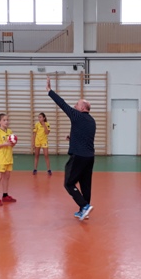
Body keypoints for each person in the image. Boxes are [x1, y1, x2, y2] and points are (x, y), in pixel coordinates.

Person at [47, 76, 95, 221]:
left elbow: (62, 104)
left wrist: (50, 91)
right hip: (89, 157)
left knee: (68, 183)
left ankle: (84, 206)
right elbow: (85, 137)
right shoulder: (91, 120)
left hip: (78, 157)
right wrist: (72, 138)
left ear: (83, 108)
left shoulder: (77, 116)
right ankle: (84, 211)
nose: (74, 106)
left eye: (77, 104)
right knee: (85, 184)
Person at [0, 113, 17, 206]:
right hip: (0, 159)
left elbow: (11, 145)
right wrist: (4, 144)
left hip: (8, 158)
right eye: (4, 120)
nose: (6, 122)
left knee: (7, 177)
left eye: (7, 120)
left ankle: (5, 195)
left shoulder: (9, 131)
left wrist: (13, 143)